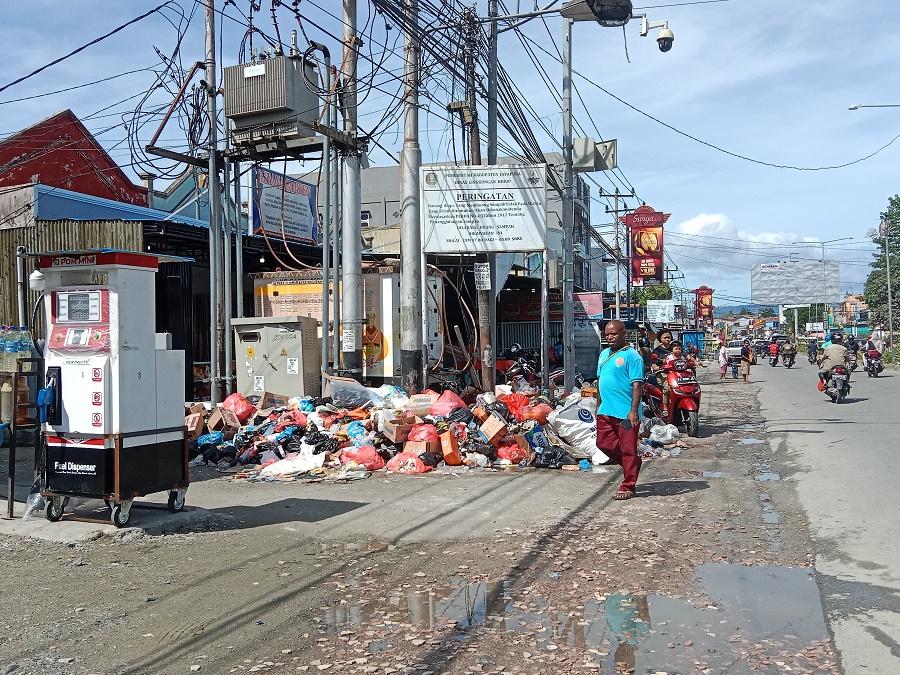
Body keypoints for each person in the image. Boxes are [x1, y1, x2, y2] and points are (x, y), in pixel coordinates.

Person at [595, 320, 644, 501]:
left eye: (614, 334)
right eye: (607, 334)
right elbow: (599, 382)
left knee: (628, 448)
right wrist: (597, 406)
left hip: (625, 413)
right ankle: (631, 463)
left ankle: (628, 485)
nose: (610, 337)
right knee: (603, 443)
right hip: (606, 410)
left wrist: (633, 410)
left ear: (624, 334)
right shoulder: (603, 354)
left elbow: (637, 384)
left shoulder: (633, 356)